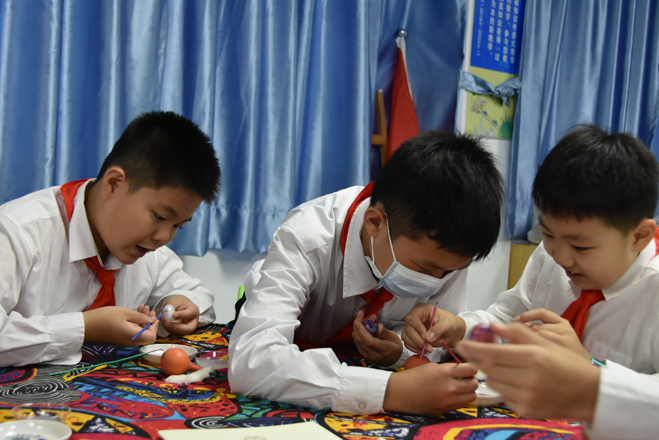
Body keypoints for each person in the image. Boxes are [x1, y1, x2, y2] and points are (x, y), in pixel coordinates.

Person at [228, 129, 505, 415]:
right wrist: (390, 390)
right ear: (375, 223)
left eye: (448, 272)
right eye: (424, 269)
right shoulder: (307, 236)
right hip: (287, 335)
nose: (435, 281)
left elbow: (436, 343)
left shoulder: (445, 253)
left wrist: (399, 351)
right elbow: (253, 361)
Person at [403, 124, 659, 376]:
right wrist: (460, 328)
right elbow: (508, 324)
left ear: (639, 237)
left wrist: (590, 367)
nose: (561, 257)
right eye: (547, 234)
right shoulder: (550, 256)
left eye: (580, 247)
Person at [0, 111, 221, 367]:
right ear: (114, 184)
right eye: (159, 216)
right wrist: (85, 327)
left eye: (178, 226)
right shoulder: (16, 233)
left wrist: (178, 305)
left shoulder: (148, 253)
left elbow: (199, 298)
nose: (164, 238)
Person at [457, 322, 659, 440]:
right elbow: (505, 311)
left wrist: (592, 387)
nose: (564, 263)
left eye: (581, 248)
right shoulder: (546, 268)